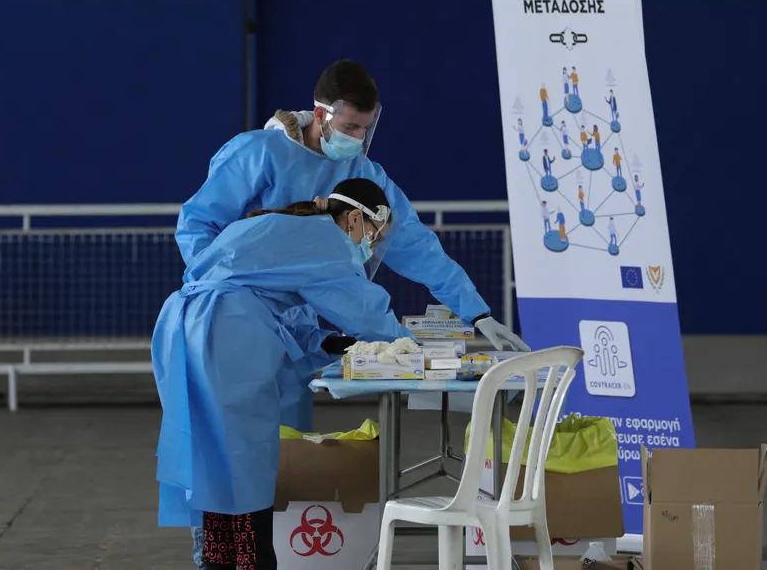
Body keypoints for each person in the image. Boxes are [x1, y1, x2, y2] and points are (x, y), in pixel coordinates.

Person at [175, 59, 529, 568]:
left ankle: (238, 559)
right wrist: (215, 285)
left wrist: (477, 314)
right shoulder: (278, 182)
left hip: (274, 334)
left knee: (266, 464)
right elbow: (359, 304)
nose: (359, 140)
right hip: (225, 328)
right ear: (320, 115)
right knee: (230, 463)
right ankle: (223, 561)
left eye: (367, 128)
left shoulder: (355, 185)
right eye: (350, 128)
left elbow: (418, 247)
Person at [153, 179, 414, 570]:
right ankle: (252, 561)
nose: (371, 245)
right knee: (244, 456)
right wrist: (411, 346)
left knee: (207, 451)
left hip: (183, 327)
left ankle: (219, 558)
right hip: (226, 334)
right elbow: (365, 310)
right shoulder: (328, 240)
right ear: (356, 219)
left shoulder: (282, 226)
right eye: (375, 235)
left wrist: (327, 342)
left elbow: (273, 307)